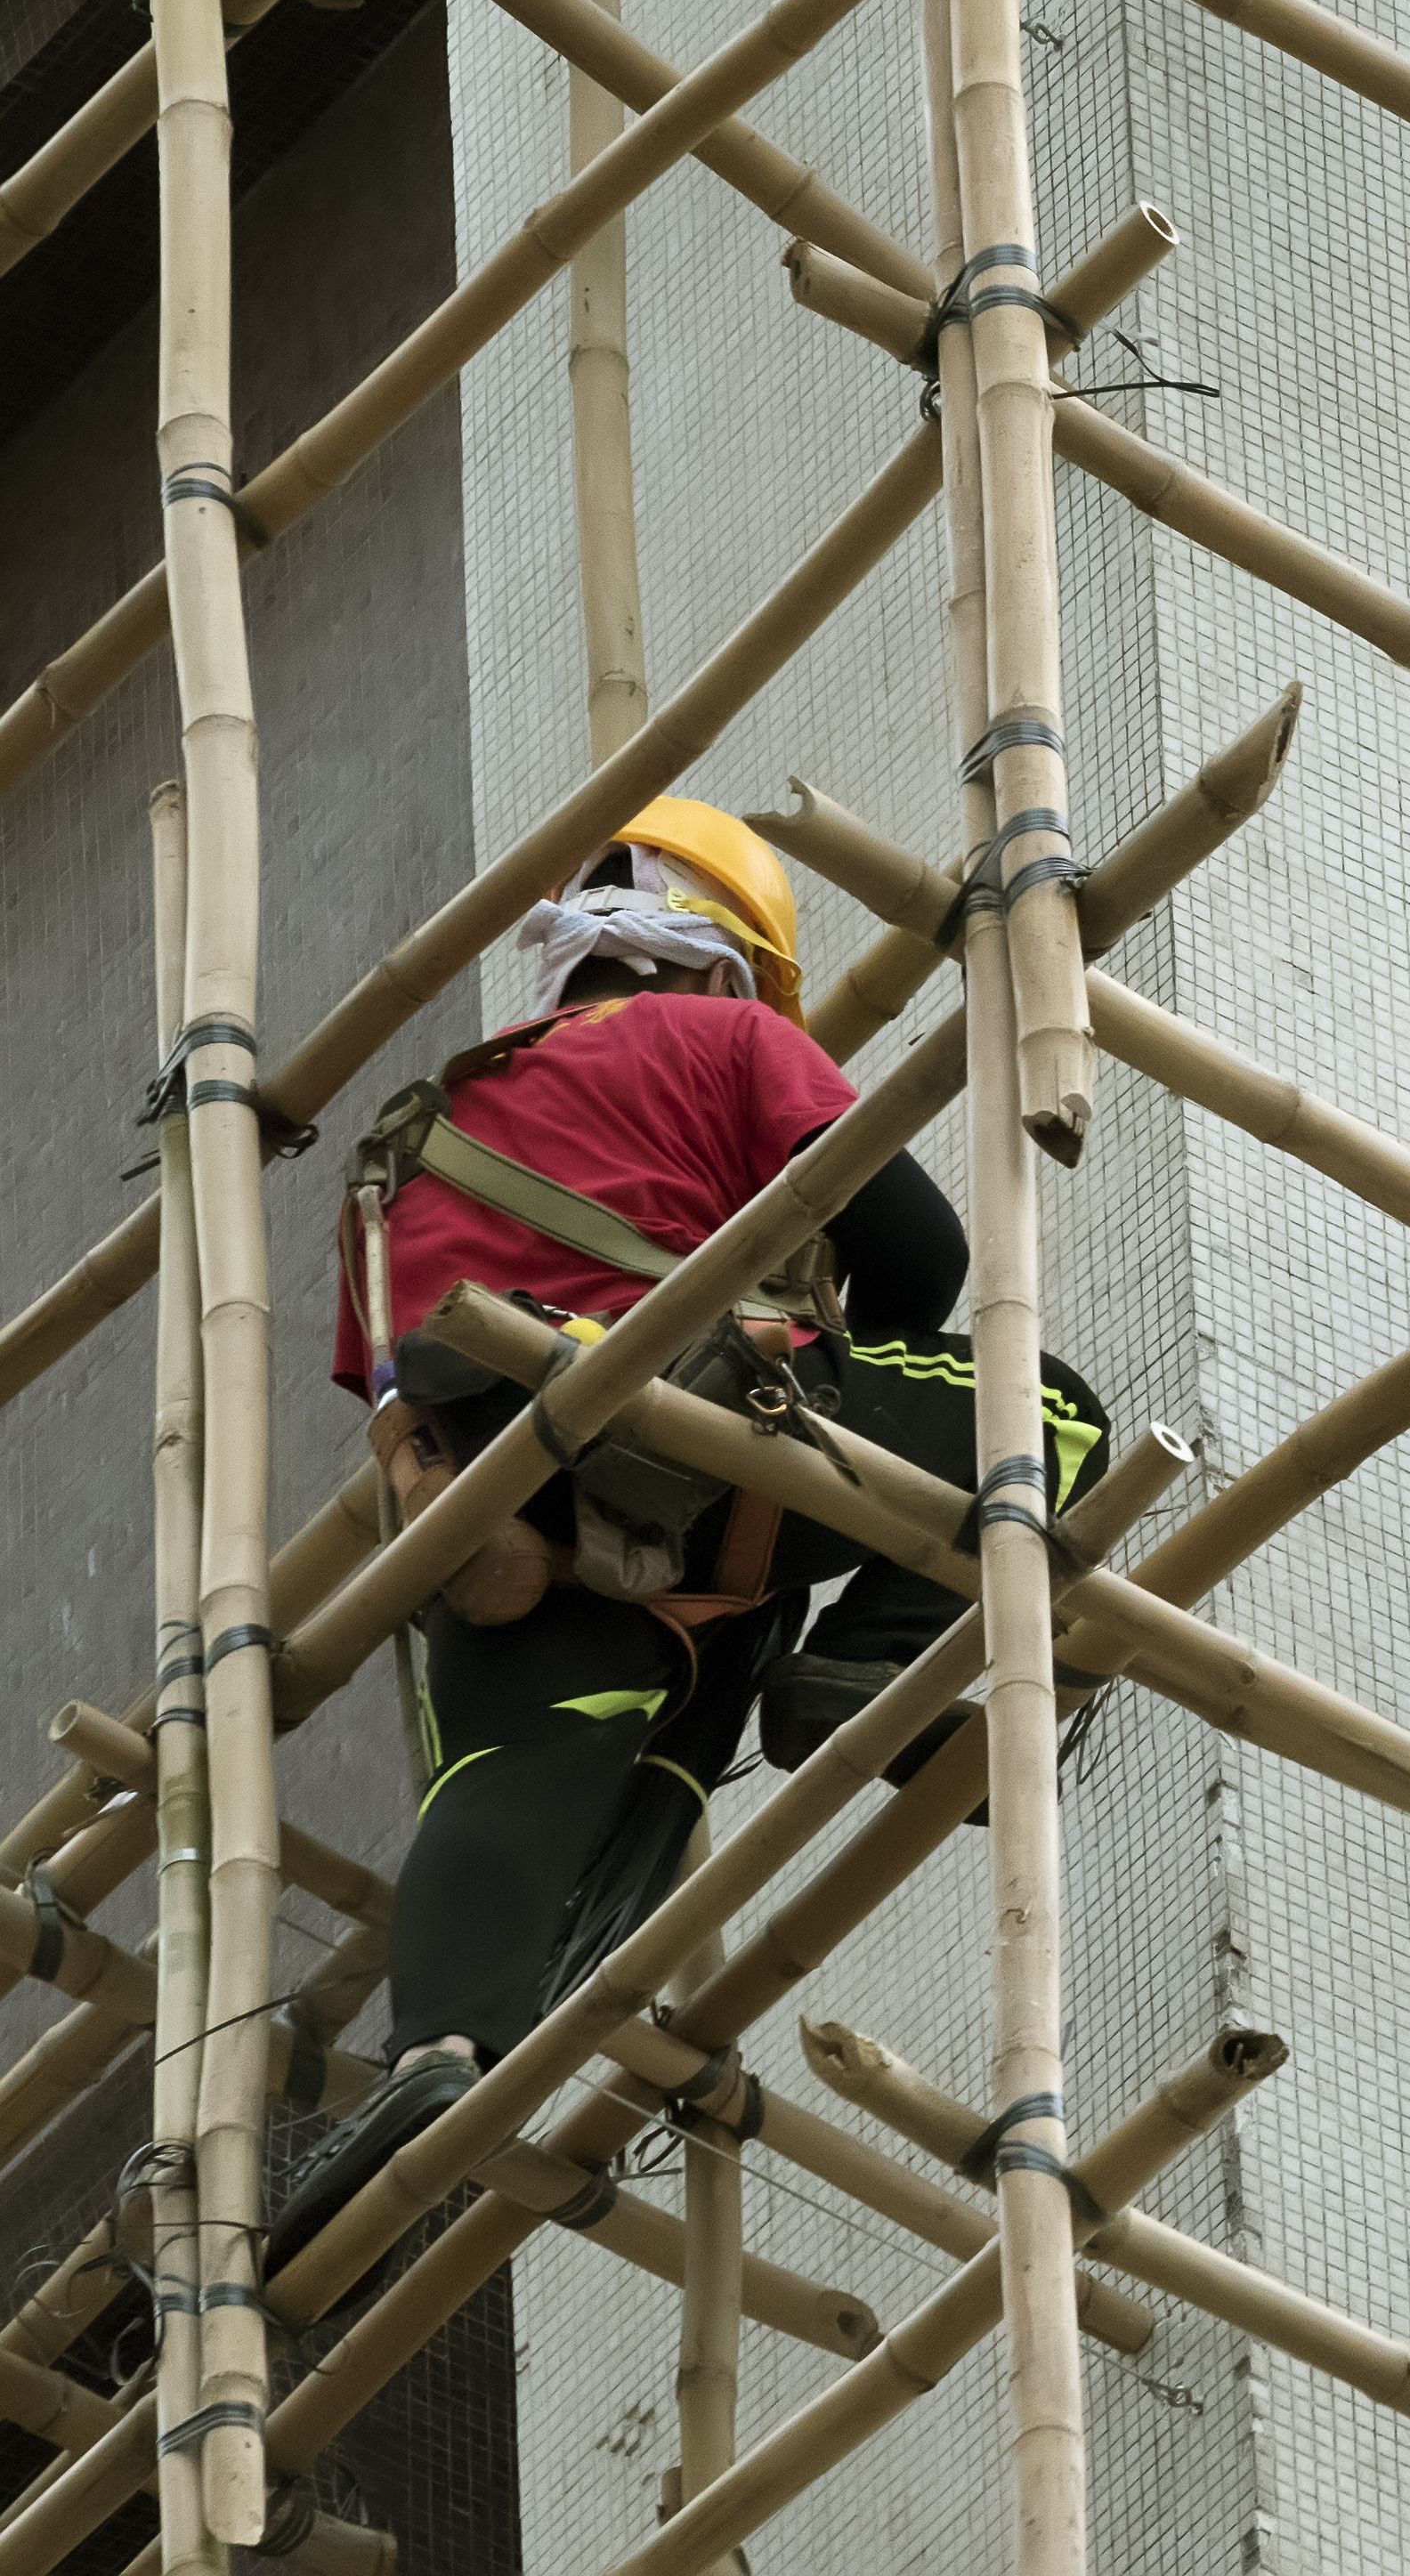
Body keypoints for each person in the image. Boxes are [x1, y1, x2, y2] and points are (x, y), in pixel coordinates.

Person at [277, 798, 1106, 2278]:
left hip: (479, 1503)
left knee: (526, 1771)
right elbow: (924, 1261)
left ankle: (439, 2045)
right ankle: (866, 1664)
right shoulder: (726, 1044)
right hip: (695, 1445)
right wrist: (842, 1441)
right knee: (1049, 1413)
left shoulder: (396, 1159)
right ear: (724, 959)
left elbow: (387, 1385)